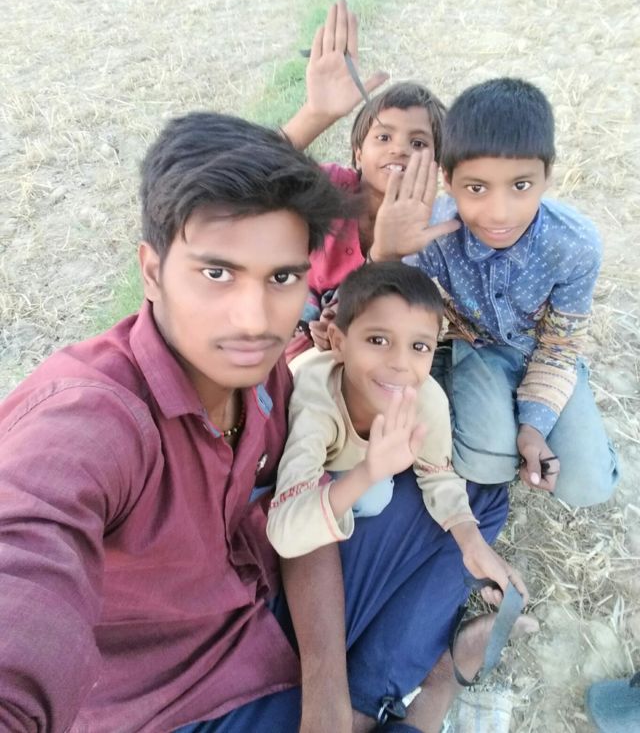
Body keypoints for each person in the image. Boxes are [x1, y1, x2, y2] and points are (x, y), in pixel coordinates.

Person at [0, 111, 514, 733]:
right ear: (153, 271)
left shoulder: (268, 379)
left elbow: (295, 512)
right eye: (217, 273)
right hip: (178, 705)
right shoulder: (92, 416)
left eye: (282, 277)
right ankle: (419, 687)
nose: (254, 319)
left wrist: (324, 695)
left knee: (476, 495)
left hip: (268, 610)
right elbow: (24, 567)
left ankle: (367, 699)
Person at [368, 77, 619, 507]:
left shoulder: (575, 244)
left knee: (588, 486)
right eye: (476, 188)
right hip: (476, 347)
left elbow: (559, 345)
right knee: (485, 466)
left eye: (520, 185)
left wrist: (534, 427)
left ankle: (551, 411)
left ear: (547, 175)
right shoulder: (433, 234)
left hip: (543, 351)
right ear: (448, 180)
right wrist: (386, 254)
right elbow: (389, 315)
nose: (499, 213)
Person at [268, 262, 525, 605]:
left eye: (419, 347)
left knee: (375, 498)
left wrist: (472, 543)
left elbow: (438, 475)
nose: (401, 363)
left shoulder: (425, 399)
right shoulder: (315, 404)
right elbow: (284, 532)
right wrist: (367, 473)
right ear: (338, 343)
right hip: (294, 457)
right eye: (378, 340)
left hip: (349, 466)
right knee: (369, 496)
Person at [282, 0, 457, 360]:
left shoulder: (433, 232)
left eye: (418, 143)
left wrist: (342, 325)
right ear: (358, 152)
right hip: (288, 335)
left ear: (437, 163)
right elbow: (255, 171)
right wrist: (316, 114)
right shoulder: (329, 186)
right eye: (383, 136)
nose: (400, 149)